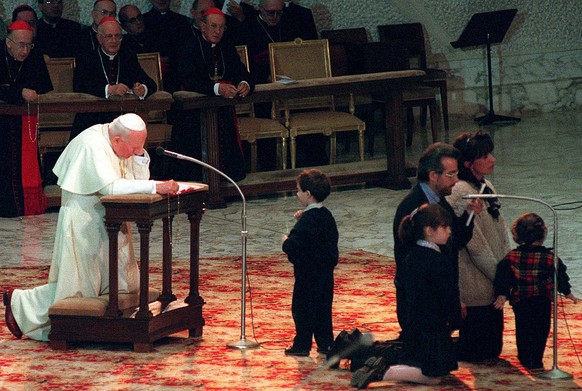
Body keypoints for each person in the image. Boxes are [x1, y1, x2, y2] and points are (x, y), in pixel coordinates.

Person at [2, 113, 180, 341]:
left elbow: (137, 181)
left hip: (113, 220)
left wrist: (139, 159)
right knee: (78, 290)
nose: (137, 151)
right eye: (134, 147)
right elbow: (111, 188)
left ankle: (108, 328)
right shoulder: (91, 144)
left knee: (121, 283)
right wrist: (156, 186)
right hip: (84, 221)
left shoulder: (119, 142)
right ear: (117, 141)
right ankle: (20, 303)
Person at [352, 203, 462, 389]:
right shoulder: (437, 261)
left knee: (433, 367)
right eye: (444, 226)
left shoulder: (411, 256)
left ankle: (383, 364)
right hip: (432, 328)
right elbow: (447, 296)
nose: (449, 231)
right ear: (429, 230)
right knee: (434, 375)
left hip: (414, 325)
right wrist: (455, 318)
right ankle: (384, 371)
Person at [392, 143, 482, 339]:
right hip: (423, 304)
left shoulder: (439, 200)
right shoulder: (412, 206)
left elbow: (455, 241)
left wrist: (468, 216)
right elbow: (411, 263)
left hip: (436, 301)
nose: (456, 180)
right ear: (433, 175)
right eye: (451, 175)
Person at [446, 131, 509, 362]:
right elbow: (475, 244)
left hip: (493, 278)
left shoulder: (485, 184)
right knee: (477, 352)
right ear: (468, 163)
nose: (492, 159)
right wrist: (500, 276)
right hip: (476, 280)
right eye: (485, 156)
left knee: (493, 349)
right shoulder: (461, 191)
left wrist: (506, 266)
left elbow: (499, 229)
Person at [175, 7, 252, 181]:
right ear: (203, 26)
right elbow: (188, 80)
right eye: (213, 26)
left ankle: (226, 183)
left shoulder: (226, 46)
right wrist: (217, 88)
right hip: (195, 114)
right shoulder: (189, 46)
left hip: (223, 111)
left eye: (222, 27)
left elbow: (241, 71)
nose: (218, 32)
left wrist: (245, 83)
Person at [493, 213, 578, 370]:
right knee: (541, 329)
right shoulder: (550, 258)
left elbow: (503, 277)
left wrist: (502, 294)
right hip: (542, 300)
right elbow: (560, 276)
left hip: (521, 300)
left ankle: (525, 358)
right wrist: (567, 292)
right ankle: (536, 358)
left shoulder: (511, 256)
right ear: (543, 234)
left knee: (523, 328)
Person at [282, 169, 339, 356]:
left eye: (298, 191)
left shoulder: (307, 220)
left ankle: (302, 345)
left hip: (307, 275)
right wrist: (303, 217)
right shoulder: (326, 215)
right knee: (323, 309)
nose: (296, 194)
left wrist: (285, 242)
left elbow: (296, 245)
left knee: (302, 309)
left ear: (307, 194)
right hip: (325, 272)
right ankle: (325, 343)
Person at [70, 17, 157, 140]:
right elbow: (80, 85)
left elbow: (151, 84)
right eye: (109, 36)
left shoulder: (128, 57)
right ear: (99, 39)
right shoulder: (87, 57)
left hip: (122, 122)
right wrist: (109, 89)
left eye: (118, 36)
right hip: (92, 121)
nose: (114, 41)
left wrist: (143, 89)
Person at [0, 20, 53, 218]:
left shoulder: (34, 56)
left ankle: (23, 208)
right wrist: (18, 92)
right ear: (8, 43)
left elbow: (44, 86)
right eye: (21, 45)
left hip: (25, 124)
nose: (25, 50)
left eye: (29, 45)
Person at [142, 0, 190, 92]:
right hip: (151, 73)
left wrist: (170, 59)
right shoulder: (143, 21)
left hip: (177, 73)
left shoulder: (181, 21)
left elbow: (186, 49)